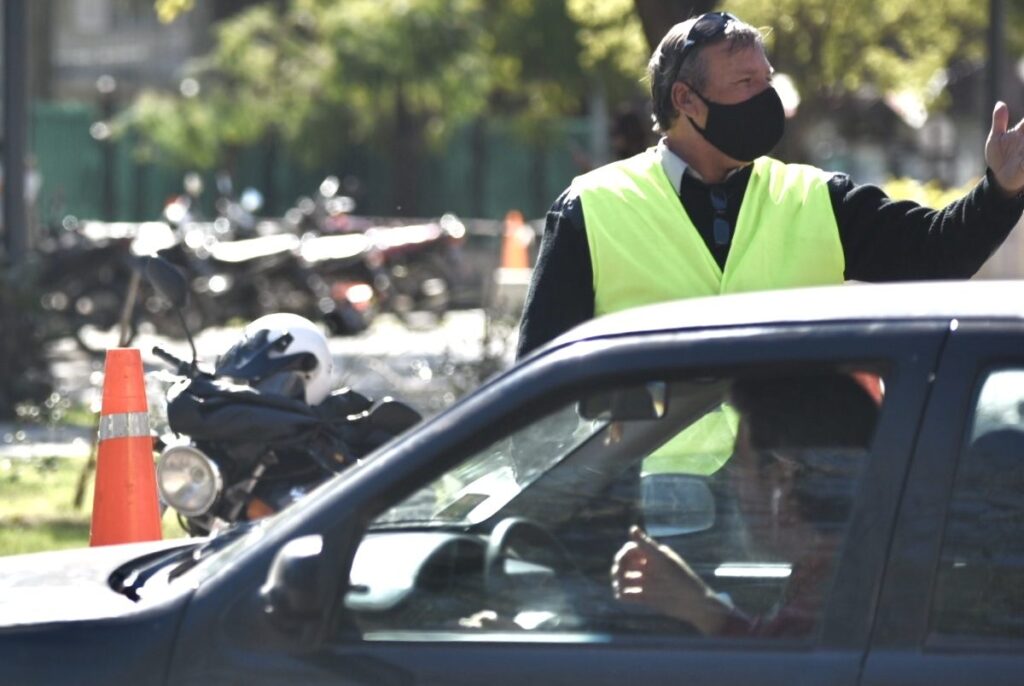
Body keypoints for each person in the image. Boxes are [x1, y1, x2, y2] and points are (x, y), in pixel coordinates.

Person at [516, 11, 1024, 358]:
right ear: (686, 101)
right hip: (640, 509)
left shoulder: (817, 199)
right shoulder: (591, 208)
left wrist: (1000, 189)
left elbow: (937, 253)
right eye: (745, 84)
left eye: (768, 82)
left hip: (792, 506)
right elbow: (538, 384)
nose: (767, 100)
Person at [610, 373, 880, 637]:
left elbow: (781, 673)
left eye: (739, 468)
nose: (733, 486)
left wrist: (703, 608)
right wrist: (700, 605)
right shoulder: (854, 565)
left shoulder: (836, 594)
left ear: (781, 482)